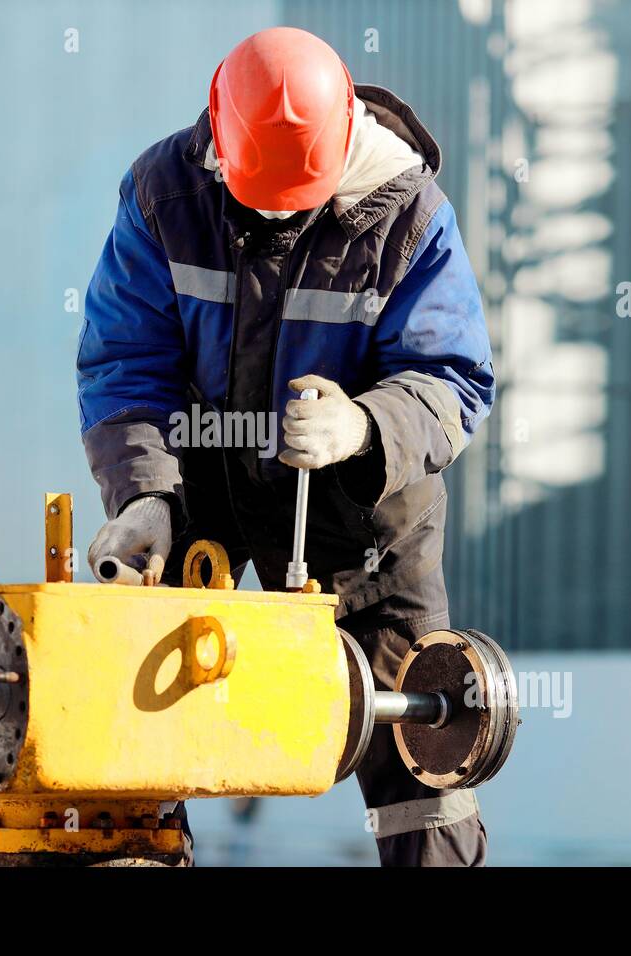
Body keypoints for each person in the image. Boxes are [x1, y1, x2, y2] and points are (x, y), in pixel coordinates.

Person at [76, 26, 495, 866]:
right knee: (133, 731)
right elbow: (128, 359)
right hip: (200, 503)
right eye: (254, 194)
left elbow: (456, 378)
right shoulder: (164, 193)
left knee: (422, 763)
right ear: (217, 140)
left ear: (343, 146)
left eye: (292, 197)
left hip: (368, 526)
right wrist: (144, 497)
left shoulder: (410, 216)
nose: (271, 213)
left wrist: (364, 426)